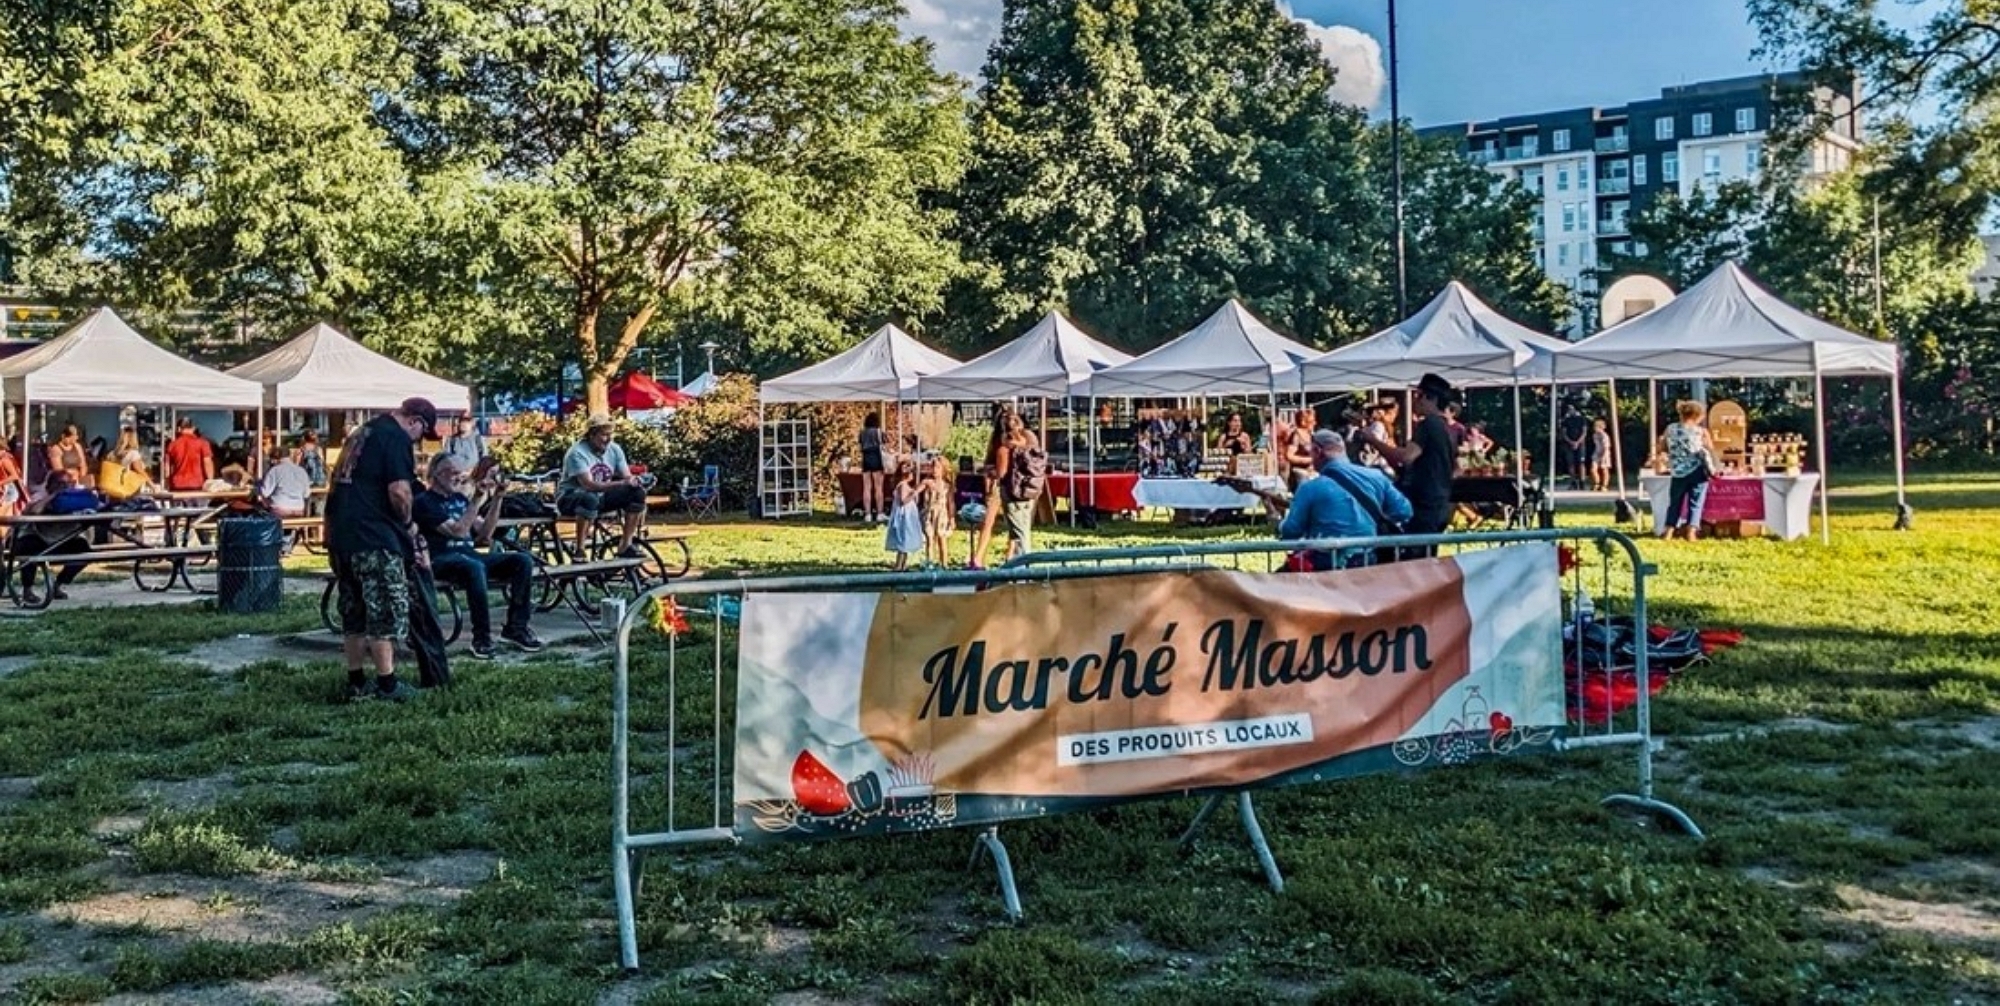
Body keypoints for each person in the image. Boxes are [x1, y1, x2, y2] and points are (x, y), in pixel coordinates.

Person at [325, 397, 440, 702]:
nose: (417, 441)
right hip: (374, 536)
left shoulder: (362, 432)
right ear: (415, 421)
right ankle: (387, 684)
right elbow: (399, 491)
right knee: (384, 612)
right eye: (421, 433)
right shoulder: (395, 437)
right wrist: (408, 524)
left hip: (341, 536)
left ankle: (356, 681)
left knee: (354, 612)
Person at [415, 455, 544, 659]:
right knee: (475, 567)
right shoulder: (425, 502)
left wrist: (498, 499)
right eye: (453, 472)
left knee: (522, 561)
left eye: (461, 473)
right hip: (441, 559)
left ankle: (516, 628)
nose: (459, 477)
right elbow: (458, 531)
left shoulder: (460, 500)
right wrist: (476, 498)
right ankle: (481, 638)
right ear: (436, 475)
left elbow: (485, 535)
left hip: (469, 556)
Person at [1254, 430, 1413, 570]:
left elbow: (1290, 532)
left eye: (1311, 453)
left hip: (1326, 566)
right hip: (1368, 562)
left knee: (1275, 588)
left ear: (1318, 451)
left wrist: (1274, 517)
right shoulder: (1376, 476)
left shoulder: (1310, 488)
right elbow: (1404, 511)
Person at [1360, 373, 1458, 557]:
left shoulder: (1428, 424)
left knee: (1416, 559)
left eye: (1419, 395)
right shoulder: (1447, 427)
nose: (1415, 400)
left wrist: (1372, 440)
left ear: (1432, 398)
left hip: (1424, 504)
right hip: (1440, 502)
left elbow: (1406, 457)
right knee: (1427, 557)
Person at [557, 413, 648, 559]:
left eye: (610, 435)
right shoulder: (577, 453)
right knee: (589, 498)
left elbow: (626, 476)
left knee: (637, 493)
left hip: (600, 496)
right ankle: (580, 550)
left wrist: (636, 481)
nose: (608, 439)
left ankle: (626, 545)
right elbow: (589, 485)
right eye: (604, 435)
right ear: (591, 435)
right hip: (570, 497)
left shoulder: (614, 449)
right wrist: (622, 483)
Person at [14, 470, 98, 605]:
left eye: (68, 483)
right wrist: (54, 495)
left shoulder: (75, 498)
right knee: (28, 548)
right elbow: (34, 511)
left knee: (84, 551)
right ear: (49, 485)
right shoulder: (40, 496)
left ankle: (58, 585)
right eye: (60, 483)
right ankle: (27, 590)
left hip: (63, 539)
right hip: (39, 537)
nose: (64, 487)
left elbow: (93, 510)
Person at [1662, 400, 1717, 541]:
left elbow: (1663, 447)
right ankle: (1691, 532)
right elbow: (1710, 449)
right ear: (1697, 416)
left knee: (1675, 502)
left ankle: (1669, 531)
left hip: (1677, 471)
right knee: (1695, 502)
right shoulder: (1701, 431)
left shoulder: (1670, 429)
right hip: (1697, 470)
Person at [883, 459, 923, 571]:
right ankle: (899, 565)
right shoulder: (902, 485)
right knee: (903, 540)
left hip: (908, 515)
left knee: (906, 540)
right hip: (904, 517)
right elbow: (903, 501)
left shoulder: (906, 486)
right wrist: (915, 492)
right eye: (912, 473)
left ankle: (903, 564)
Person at [919, 453, 954, 569]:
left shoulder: (947, 486)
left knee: (941, 537)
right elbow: (918, 491)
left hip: (942, 514)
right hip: (929, 513)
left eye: (938, 467)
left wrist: (952, 518)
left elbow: (950, 503)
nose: (935, 470)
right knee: (929, 537)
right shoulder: (928, 482)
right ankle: (930, 562)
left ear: (943, 470)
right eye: (933, 467)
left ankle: (944, 563)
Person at [164, 417, 215, 493]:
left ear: (179, 429)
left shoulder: (172, 445)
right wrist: (210, 481)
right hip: (197, 486)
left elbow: (167, 468)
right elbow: (207, 463)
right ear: (193, 428)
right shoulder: (203, 443)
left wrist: (167, 484)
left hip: (177, 486)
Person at [260, 447, 313, 517]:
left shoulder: (274, 470)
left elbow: (265, 492)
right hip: (299, 509)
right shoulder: (302, 471)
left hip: (279, 509)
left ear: (275, 458)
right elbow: (306, 494)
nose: (271, 462)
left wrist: (258, 487)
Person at [858, 413, 887, 522]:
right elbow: (885, 442)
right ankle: (880, 513)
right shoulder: (878, 432)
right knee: (878, 488)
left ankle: (868, 514)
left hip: (865, 458)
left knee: (866, 488)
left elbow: (860, 444)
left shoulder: (862, 433)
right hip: (876, 457)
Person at [1281, 408, 1316, 490]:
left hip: (1310, 474)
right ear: (1303, 422)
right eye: (1312, 421)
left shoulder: (1311, 435)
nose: (1315, 423)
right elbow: (1289, 456)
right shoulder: (1296, 436)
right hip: (1299, 476)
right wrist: (1307, 460)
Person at [46, 424, 90, 489]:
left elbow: (83, 465)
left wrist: (81, 478)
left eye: (74, 439)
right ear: (63, 436)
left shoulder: (77, 446)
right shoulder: (55, 449)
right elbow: (59, 472)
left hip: (78, 480)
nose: (72, 442)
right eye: (70, 439)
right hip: (63, 483)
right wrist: (73, 474)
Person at [1560, 403, 1590, 490]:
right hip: (1568, 444)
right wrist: (1571, 442)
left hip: (1580, 444)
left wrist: (1577, 442)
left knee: (1581, 463)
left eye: (1571, 409)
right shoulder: (1566, 421)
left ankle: (1582, 482)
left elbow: (1584, 432)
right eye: (1568, 409)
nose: (1570, 411)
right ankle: (1573, 482)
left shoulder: (1582, 419)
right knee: (1571, 463)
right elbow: (1564, 433)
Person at [0, 438, 27, 528]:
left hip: (9, 491)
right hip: (7, 491)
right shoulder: (5, 457)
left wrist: (1, 482)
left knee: (3, 521)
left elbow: (15, 475)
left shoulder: (5, 459)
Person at [1590, 418, 1614, 492]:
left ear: (1601, 427)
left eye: (1596, 427)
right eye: (1594, 427)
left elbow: (1606, 447)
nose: (1594, 428)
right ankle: (1597, 483)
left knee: (1604, 469)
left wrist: (1604, 456)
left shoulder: (1605, 436)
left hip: (1605, 453)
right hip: (1597, 453)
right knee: (1593, 469)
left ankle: (1604, 485)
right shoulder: (1594, 435)